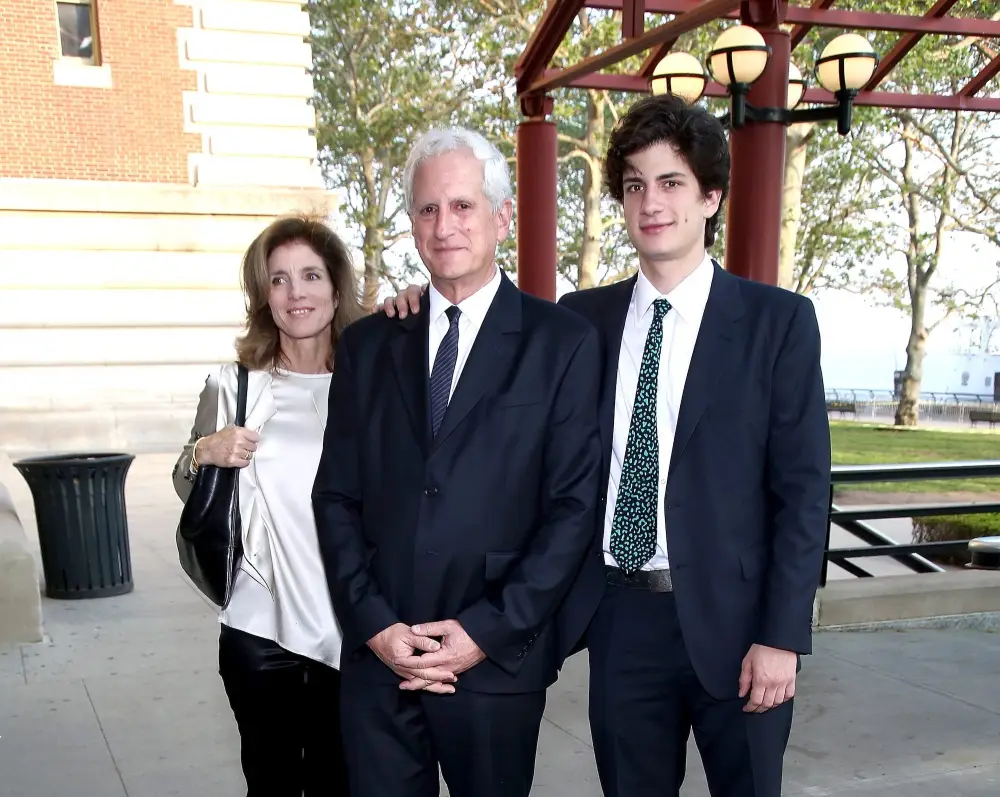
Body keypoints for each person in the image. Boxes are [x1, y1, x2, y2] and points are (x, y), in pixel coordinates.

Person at [381, 93, 832, 797]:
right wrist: (424, 304)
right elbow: (487, 343)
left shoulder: (779, 323)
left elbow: (804, 492)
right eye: (633, 186)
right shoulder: (579, 320)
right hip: (620, 619)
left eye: (672, 182)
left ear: (711, 195)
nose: (650, 202)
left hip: (741, 630)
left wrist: (782, 636)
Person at [311, 127, 604, 797]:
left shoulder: (561, 342)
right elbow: (336, 497)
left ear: (502, 216)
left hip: (495, 662)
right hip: (379, 662)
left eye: (463, 206)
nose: (444, 225)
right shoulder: (368, 344)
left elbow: (573, 509)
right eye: (427, 208)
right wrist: (375, 625)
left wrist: (483, 631)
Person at [172, 214, 362, 797]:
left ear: (335, 287)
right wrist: (203, 450)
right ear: (264, 296)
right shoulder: (234, 385)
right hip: (261, 627)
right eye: (279, 280)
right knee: (272, 783)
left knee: (343, 782)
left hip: (353, 630)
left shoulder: (371, 380)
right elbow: (187, 481)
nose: (296, 292)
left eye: (310, 275)